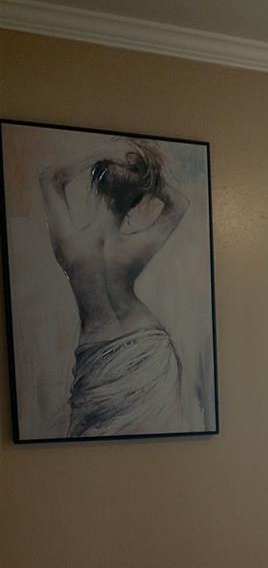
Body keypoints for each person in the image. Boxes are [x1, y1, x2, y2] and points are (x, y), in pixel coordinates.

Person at [38, 136, 189, 437]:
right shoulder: (135, 247)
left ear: (98, 184)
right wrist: (143, 175)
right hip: (149, 350)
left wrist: (105, 154)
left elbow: (50, 178)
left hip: (101, 358)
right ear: (136, 198)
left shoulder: (71, 247)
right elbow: (179, 203)